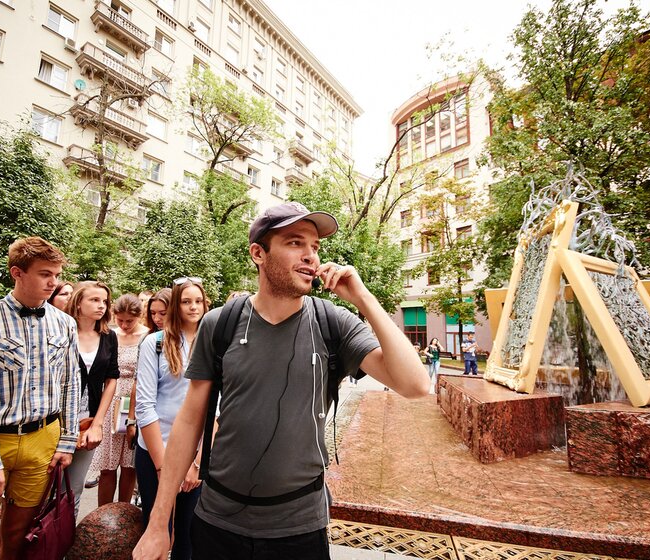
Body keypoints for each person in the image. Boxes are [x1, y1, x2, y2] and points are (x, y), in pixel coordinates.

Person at [133, 202, 429, 560]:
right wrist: (158, 521)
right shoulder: (220, 324)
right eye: (294, 243)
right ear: (259, 253)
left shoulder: (332, 321)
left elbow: (415, 385)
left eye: (315, 247)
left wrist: (364, 299)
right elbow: (190, 419)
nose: (310, 256)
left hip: (299, 526)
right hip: (218, 521)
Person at [0, 237, 80, 560]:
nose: (53, 282)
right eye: (44, 273)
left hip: (43, 439)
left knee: (19, 537)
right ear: (17, 273)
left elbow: (69, 383)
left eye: (56, 274)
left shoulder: (65, 323)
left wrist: (67, 440)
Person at [135, 278, 210, 560]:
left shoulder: (214, 345)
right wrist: (163, 465)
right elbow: (144, 405)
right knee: (156, 528)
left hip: (197, 454)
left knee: (190, 534)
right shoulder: (154, 344)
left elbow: (217, 409)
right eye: (186, 301)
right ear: (175, 305)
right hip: (156, 449)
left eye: (198, 301)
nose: (193, 307)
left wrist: (197, 464)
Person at [64, 281, 119, 516]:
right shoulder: (62, 331)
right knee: (42, 489)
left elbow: (111, 380)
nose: (102, 306)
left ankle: (63, 543)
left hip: (88, 422)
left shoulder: (108, 337)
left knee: (74, 489)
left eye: (105, 301)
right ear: (78, 302)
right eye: (94, 300)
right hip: (56, 421)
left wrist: (97, 423)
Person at [94, 294, 147, 506]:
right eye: (120, 320)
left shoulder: (147, 336)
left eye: (129, 321)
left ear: (139, 317)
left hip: (134, 399)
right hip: (112, 398)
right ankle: (102, 515)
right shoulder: (109, 335)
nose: (124, 325)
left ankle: (124, 514)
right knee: (107, 466)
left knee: (129, 466)